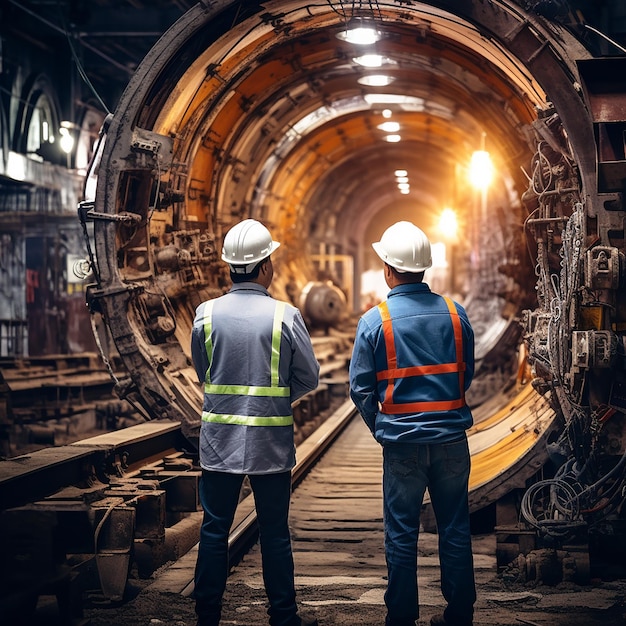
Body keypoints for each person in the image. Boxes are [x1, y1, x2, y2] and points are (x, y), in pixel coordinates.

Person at [191, 218, 320, 626]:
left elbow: (204, 371)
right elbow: (309, 377)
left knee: (214, 531)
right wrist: (277, 400)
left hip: (219, 442)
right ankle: (283, 617)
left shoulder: (205, 314)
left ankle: (206, 616)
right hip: (270, 443)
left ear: (230, 267)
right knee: (275, 533)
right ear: (265, 266)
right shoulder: (285, 315)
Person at [349, 221, 476, 626]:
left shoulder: (375, 322)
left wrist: (382, 426)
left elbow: (360, 389)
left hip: (402, 445)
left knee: (401, 533)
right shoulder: (457, 316)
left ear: (388, 268)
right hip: (451, 442)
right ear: (426, 268)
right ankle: (459, 614)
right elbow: (465, 373)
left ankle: (401, 617)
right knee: (454, 526)